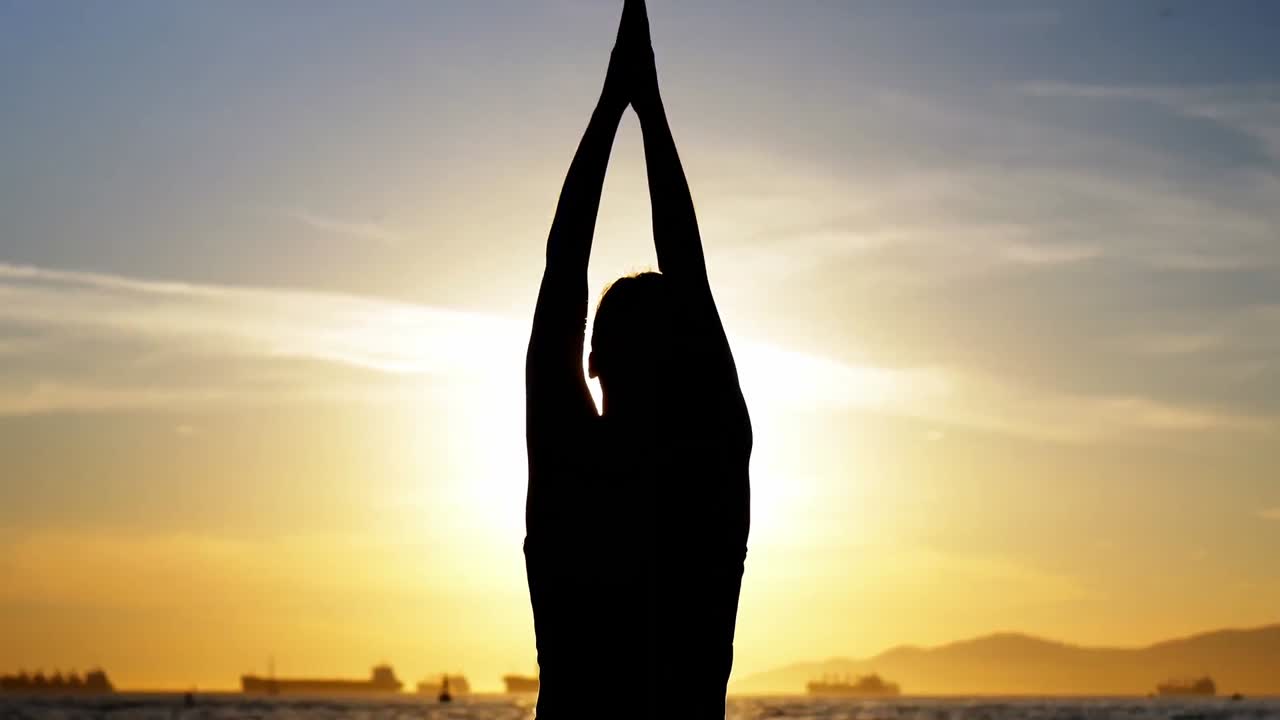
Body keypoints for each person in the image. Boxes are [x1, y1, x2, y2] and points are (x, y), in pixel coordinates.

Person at [524, 1, 752, 717]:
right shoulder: (709, 474)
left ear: (593, 361)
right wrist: (648, 109)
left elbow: (564, 270)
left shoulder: (570, 467)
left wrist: (613, 107)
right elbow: (692, 273)